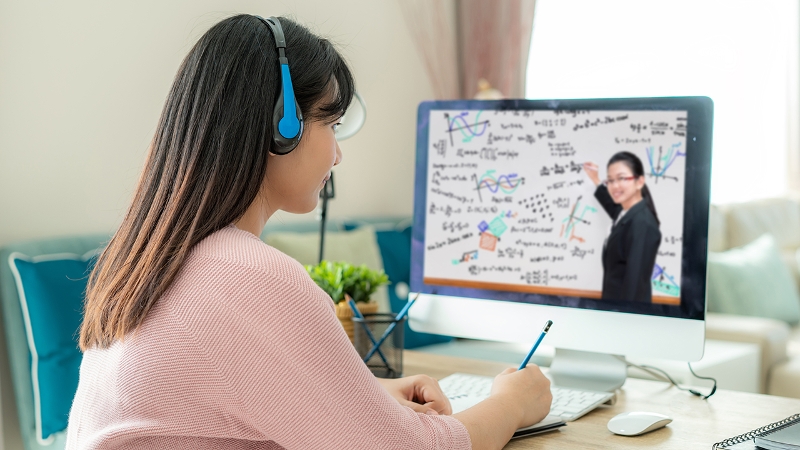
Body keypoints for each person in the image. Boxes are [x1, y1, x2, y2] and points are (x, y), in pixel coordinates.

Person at [66, 14, 552, 450]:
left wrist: (362, 400)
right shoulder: (251, 277)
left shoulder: (144, 261)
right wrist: (511, 403)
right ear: (285, 124)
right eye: (332, 124)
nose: (338, 155)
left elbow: (200, 407)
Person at [583, 152, 661, 302]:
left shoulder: (642, 224)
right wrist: (596, 179)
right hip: (613, 308)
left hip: (625, 315)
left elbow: (635, 285)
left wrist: (622, 320)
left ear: (639, 182)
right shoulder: (626, 213)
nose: (615, 186)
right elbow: (611, 206)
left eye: (622, 178)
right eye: (610, 180)